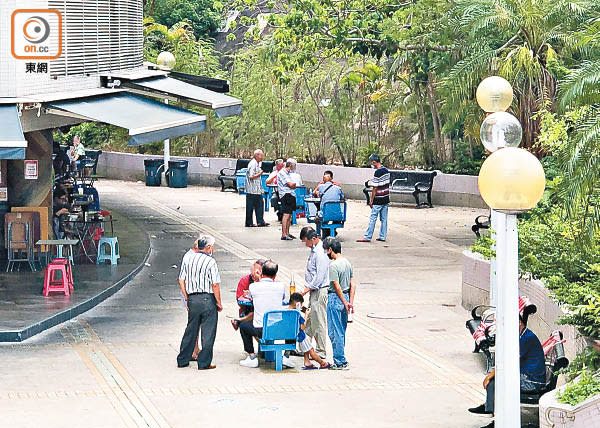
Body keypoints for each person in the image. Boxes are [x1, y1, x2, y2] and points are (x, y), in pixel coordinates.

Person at [468, 317, 546, 428]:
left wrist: (490, 375)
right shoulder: (522, 335)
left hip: (532, 381)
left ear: (519, 322)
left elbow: (510, 360)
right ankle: (489, 409)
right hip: (526, 375)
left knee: (499, 382)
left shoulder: (527, 338)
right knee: (496, 379)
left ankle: (494, 416)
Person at [176, 235, 223, 370]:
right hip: (207, 298)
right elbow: (215, 284)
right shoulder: (210, 261)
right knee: (208, 332)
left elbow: (181, 280)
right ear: (208, 247)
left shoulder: (188, 258)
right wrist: (219, 302)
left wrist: (186, 297)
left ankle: (183, 359)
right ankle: (204, 362)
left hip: (192, 298)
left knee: (191, 329)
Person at [237, 260, 293, 368]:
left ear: (262, 273)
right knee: (291, 326)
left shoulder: (253, 286)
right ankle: (286, 356)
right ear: (275, 275)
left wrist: (258, 280)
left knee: (243, 325)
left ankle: (252, 357)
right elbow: (281, 298)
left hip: (260, 330)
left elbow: (251, 298)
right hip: (278, 329)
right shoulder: (280, 286)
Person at [323, 237, 356, 370]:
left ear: (331, 250)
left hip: (335, 298)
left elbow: (336, 286)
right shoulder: (347, 263)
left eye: (327, 250)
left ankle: (340, 361)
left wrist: (343, 301)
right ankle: (341, 358)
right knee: (341, 330)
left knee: (334, 331)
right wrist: (349, 303)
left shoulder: (334, 266)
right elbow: (353, 284)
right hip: (346, 296)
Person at [300, 226, 329, 359]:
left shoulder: (320, 252)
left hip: (319, 290)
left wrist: (306, 290)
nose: (305, 244)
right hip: (313, 290)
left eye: (306, 241)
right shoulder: (314, 250)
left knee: (319, 321)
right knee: (310, 321)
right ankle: (304, 347)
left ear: (313, 239)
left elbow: (319, 276)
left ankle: (321, 350)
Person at [288, 293, 330, 370]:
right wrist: (306, 315)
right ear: (297, 304)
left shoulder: (286, 312)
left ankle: (307, 362)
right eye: (301, 304)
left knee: (307, 348)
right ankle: (322, 363)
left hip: (293, 336)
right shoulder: (297, 314)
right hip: (301, 337)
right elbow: (302, 327)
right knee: (311, 351)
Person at [357, 154, 390, 243]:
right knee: (384, 219)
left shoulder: (377, 172)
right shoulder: (386, 171)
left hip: (378, 199)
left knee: (373, 218)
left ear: (374, 162)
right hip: (386, 198)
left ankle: (367, 236)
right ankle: (382, 236)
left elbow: (375, 188)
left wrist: (371, 200)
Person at [245, 149, 269, 228]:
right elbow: (251, 176)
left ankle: (260, 221)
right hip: (252, 189)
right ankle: (249, 222)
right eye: (261, 155)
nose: (262, 157)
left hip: (257, 189)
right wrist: (261, 173)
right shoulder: (253, 164)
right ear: (256, 155)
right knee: (250, 206)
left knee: (260, 205)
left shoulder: (257, 163)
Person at [277, 159, 298, 240]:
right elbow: (290, 184)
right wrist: (293, 185)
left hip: (291, 194)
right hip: (286, 195)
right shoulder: (282, 173)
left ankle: (288, 232)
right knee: (286, 214)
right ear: (291, 166)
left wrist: (293, 185)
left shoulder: (289, 174)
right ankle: (284, 234)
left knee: (290, 215)